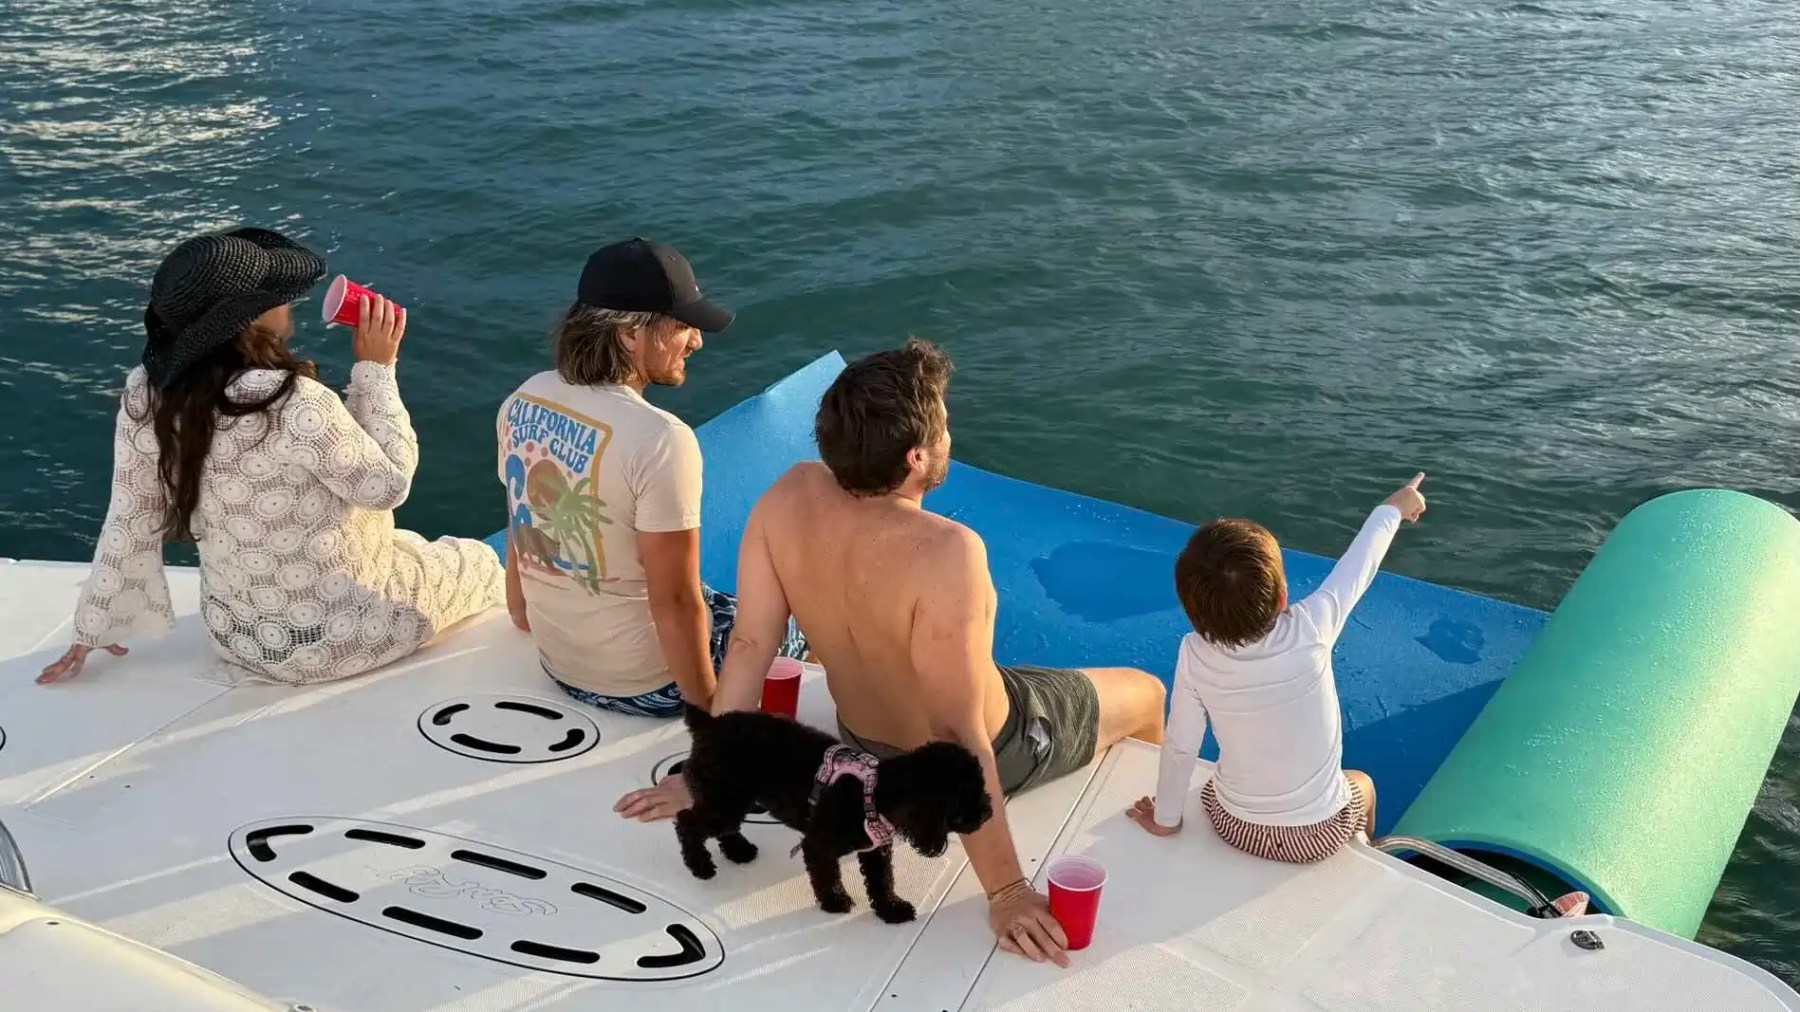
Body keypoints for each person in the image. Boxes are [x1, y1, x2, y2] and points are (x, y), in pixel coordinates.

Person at [616, 338, 1168, 966]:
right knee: (1146, 689)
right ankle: (1157, 821)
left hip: (860, 743)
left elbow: (747, 645)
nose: (950, 437)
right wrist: (1009, 891)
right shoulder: (947, 551)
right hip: (975, 750)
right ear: (916, 457)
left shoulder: (789, 494)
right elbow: (957, 732)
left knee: (996, 677)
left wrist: (704, 774)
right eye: (945, 428)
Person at [38, 227, 504, 686]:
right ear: (252, 317)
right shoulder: (292, 399)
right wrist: (377, 370)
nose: (289, 301)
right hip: (344, 640)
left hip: (239, 636)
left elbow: (132, 511)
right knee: (479, 560)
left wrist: (96, 622)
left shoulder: (149, 392)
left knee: (408, 547)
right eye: (277, 295)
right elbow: (388, 486)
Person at [497, 238, 806, 718]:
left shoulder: (525, 399)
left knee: (715, 598)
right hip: (646, 687)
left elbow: (522, 526)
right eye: (683, 326)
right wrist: (707, 709)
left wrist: (520, 612)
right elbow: (675, 601)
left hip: (557, 665)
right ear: (629, 335)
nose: (697, 342)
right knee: (797, 620)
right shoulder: (661, 439)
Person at [1126, 475, 1430, 863]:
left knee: (1215, 784)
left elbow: (1182, 745)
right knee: (1364, 783)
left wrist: (1166, 819)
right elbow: (1359, 566)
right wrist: (1394, 507)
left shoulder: (1194, 652)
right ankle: (1362, 855)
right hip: (1320, 835)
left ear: (1191, 610)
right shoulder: (1312, 626)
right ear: (1282, 595)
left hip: (1235, 826)